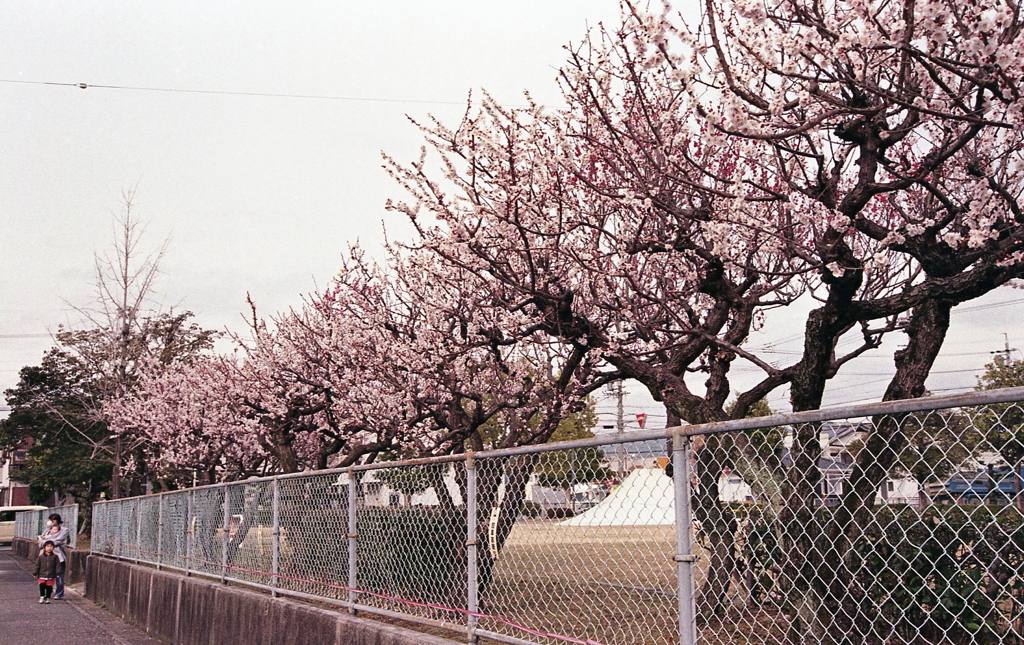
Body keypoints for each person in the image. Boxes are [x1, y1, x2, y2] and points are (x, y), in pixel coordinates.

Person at [37, 513, 69, 600]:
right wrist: (44, 541)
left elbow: (59, 541)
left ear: (54, 521)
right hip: (45, 556)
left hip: (58, 556)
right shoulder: (47, 530)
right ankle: (47, 591)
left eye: (49, 520)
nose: (48, 522)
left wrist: (45, 540)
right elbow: (40, 542)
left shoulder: (64, 530)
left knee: (59, 574)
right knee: (45, 574)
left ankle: (59, 593)